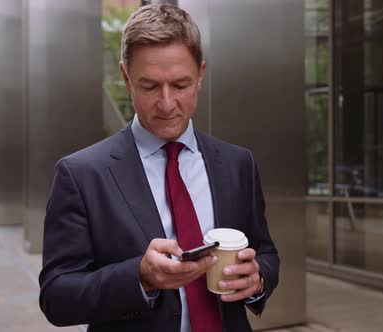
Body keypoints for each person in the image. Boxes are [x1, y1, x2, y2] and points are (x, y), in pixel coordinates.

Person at [38, 4, 279, 332]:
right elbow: (56, 297)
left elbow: (265, 252)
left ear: (201, 76)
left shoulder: (239, 164)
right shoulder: (81, 174)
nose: (167, 104)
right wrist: (139, 277)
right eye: (150, 86)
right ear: (126, 78)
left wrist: (258, 279)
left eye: (180, 85)